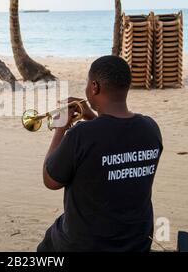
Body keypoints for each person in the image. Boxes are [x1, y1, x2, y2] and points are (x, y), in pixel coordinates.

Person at [37, 55, 163, 252]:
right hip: (137, 242)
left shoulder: (80, 135)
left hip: (87, 245)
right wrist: (91, 116)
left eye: (88, 84)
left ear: (94, 87)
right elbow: (113, 140)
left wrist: (60, 128)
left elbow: (50, 180)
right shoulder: (150, 129)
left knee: (48, 245)